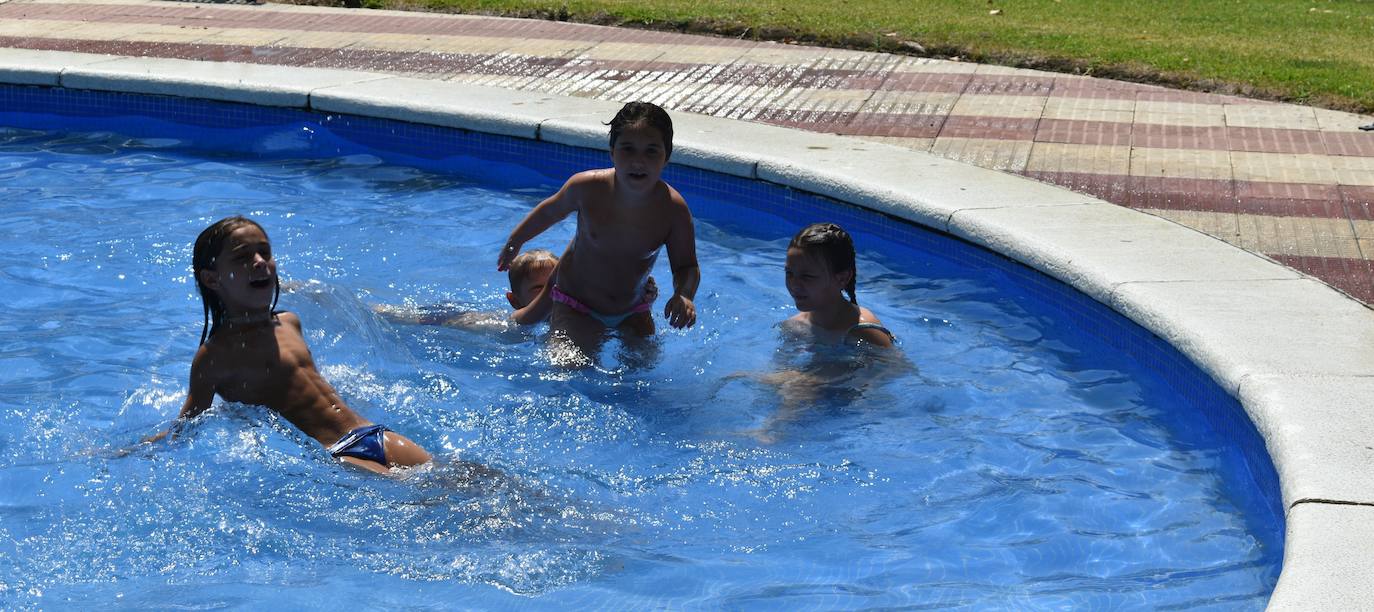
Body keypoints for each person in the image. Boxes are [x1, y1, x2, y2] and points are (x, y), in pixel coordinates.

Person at [147, 216, 432, 475]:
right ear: (212, 278)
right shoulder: (214, 356)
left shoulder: (289, 322)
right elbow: (186, 426)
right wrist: (138, 449)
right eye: (242, 257)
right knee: (422, 499)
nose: (260, 261)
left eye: (265, 252)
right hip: (337, 453)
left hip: (370, 432)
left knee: (458, 477)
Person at [497, 101, 700, 356]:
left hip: (632, 309)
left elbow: (686, 266)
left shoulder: (673, 210)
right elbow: (550, 211)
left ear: (666, 157)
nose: (639, 161)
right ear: (612, 152)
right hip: (577, 304)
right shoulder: (587, 188)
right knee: (567, 368)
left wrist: (684, 295)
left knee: (643, 370)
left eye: (651, 151)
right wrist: (516, 240)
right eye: (628, 149)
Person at [375, 248, 560, 330]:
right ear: (515, 301)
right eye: (538, 288)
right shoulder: (521, 318)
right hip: (466, 321)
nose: (552, 293)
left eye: (557, 284)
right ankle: (377, 311)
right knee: (409, 318)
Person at [782, 222, 895, 348]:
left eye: (807, 276)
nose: (794, 285)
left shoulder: (865, 330)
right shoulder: (794, 327)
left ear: (842, 278)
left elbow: (898, 367)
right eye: (789, 273)